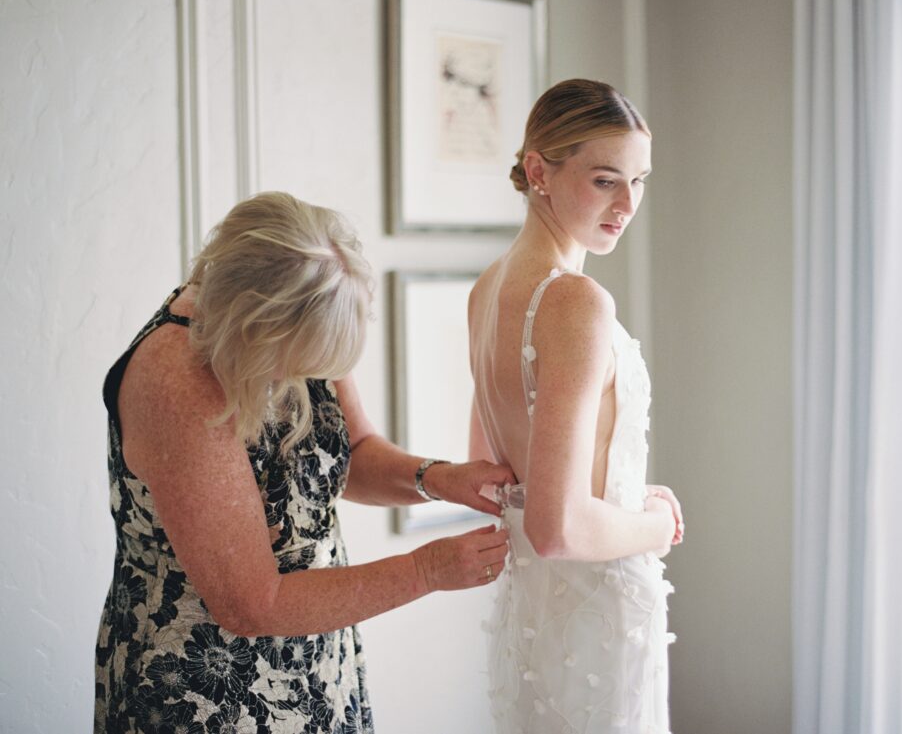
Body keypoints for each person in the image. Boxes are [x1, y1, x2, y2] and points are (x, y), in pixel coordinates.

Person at [95, 191, 512, 732]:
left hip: (314, 661)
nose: (307, 377)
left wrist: (438, 479)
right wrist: (426, 570)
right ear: (256, 328)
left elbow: (352, 453)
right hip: (204, 688)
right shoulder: (176, 384)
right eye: (300, 363)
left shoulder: (299, 312)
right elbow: (251, 603)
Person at [468, 79, 685, 733]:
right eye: (604, 180)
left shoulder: (488, 288)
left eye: (639, 180)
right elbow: (557, 527)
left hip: (533, 614)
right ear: (539, 170)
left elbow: (488, 474)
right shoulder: (575, 303)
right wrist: (658, 522)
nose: (628, 204)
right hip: (595, 607)